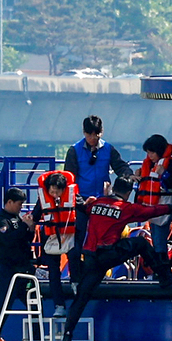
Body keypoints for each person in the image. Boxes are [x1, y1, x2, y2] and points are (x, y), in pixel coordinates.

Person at [60, 175, 172, 341]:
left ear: (113, 188)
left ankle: (66, 337)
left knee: (81, 298)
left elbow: (83, 206)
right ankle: (164, 275)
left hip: (90, 259)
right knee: (142, 243)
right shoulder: (126, 207)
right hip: (110, 255)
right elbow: (152, 211)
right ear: (128, 193)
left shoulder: (95, 204)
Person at [63, 115, 133, 283]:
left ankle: (99, 275)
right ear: (84, 133)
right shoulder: (74, 150)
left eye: (96, 135)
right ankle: (76, 278)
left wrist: (129, 176)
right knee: (77, 239)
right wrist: (80, 201)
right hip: (82, 203)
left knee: (102, 240)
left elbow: (120, 166)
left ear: (101, 133)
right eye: (89, 135)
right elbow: (69, 180)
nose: (93, 139)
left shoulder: (108, 149)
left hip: (102, 203)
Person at [0, 187, 36, 339]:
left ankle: (37, 338)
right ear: (9, 202)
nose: (21, 207)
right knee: (5, 305)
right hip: (9, 270)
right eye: (19, 204)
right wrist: (24, 226)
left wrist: (31, 229)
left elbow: (25, 239)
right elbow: (8, 240)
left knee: (33, 304)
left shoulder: (18, 220)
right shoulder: (1, 220)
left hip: (24, 269)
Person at [31, 170, 78, 317]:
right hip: (51, 239)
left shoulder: (74, 197)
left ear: (64, 189)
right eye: (51, 190)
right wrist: (29, 221)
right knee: (53, 272)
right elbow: (35, 215)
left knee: (75, 258)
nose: (54, 193)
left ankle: (76, 283)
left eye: (57, 190)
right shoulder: (43, 200)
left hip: (70, 236)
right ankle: (59, 305)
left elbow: (85, 209)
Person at [135, 134, 172, 260]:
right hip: (151, 210)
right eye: (148, 153)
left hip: (164, 209)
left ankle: (162, 271)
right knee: (156, 241)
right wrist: (139, 178)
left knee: (160, 241)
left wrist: (164, 174)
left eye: (152, 152)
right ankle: (159, 270)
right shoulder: (149, 165)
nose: (150, 156)